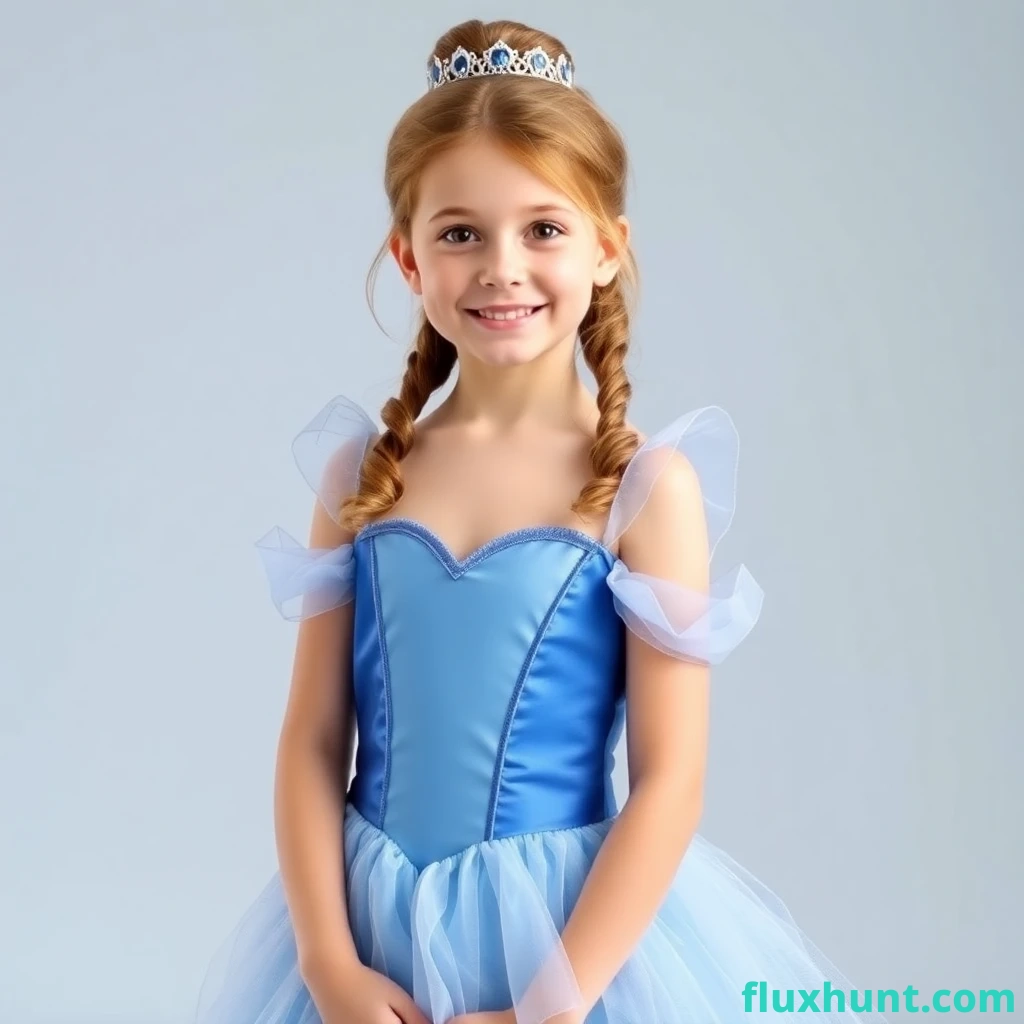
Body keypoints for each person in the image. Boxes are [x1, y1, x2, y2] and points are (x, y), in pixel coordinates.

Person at [195, 18, 883, 1024]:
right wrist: (327, 961)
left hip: (564, 946)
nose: (500, 267)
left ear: (607, 249)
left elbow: (669, 781)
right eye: (459, 231)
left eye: (544, 229)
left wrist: (548, 1004)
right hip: (367, 928)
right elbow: (310, 740)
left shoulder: (644, 487)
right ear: (408, 256)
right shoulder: (363, 472)